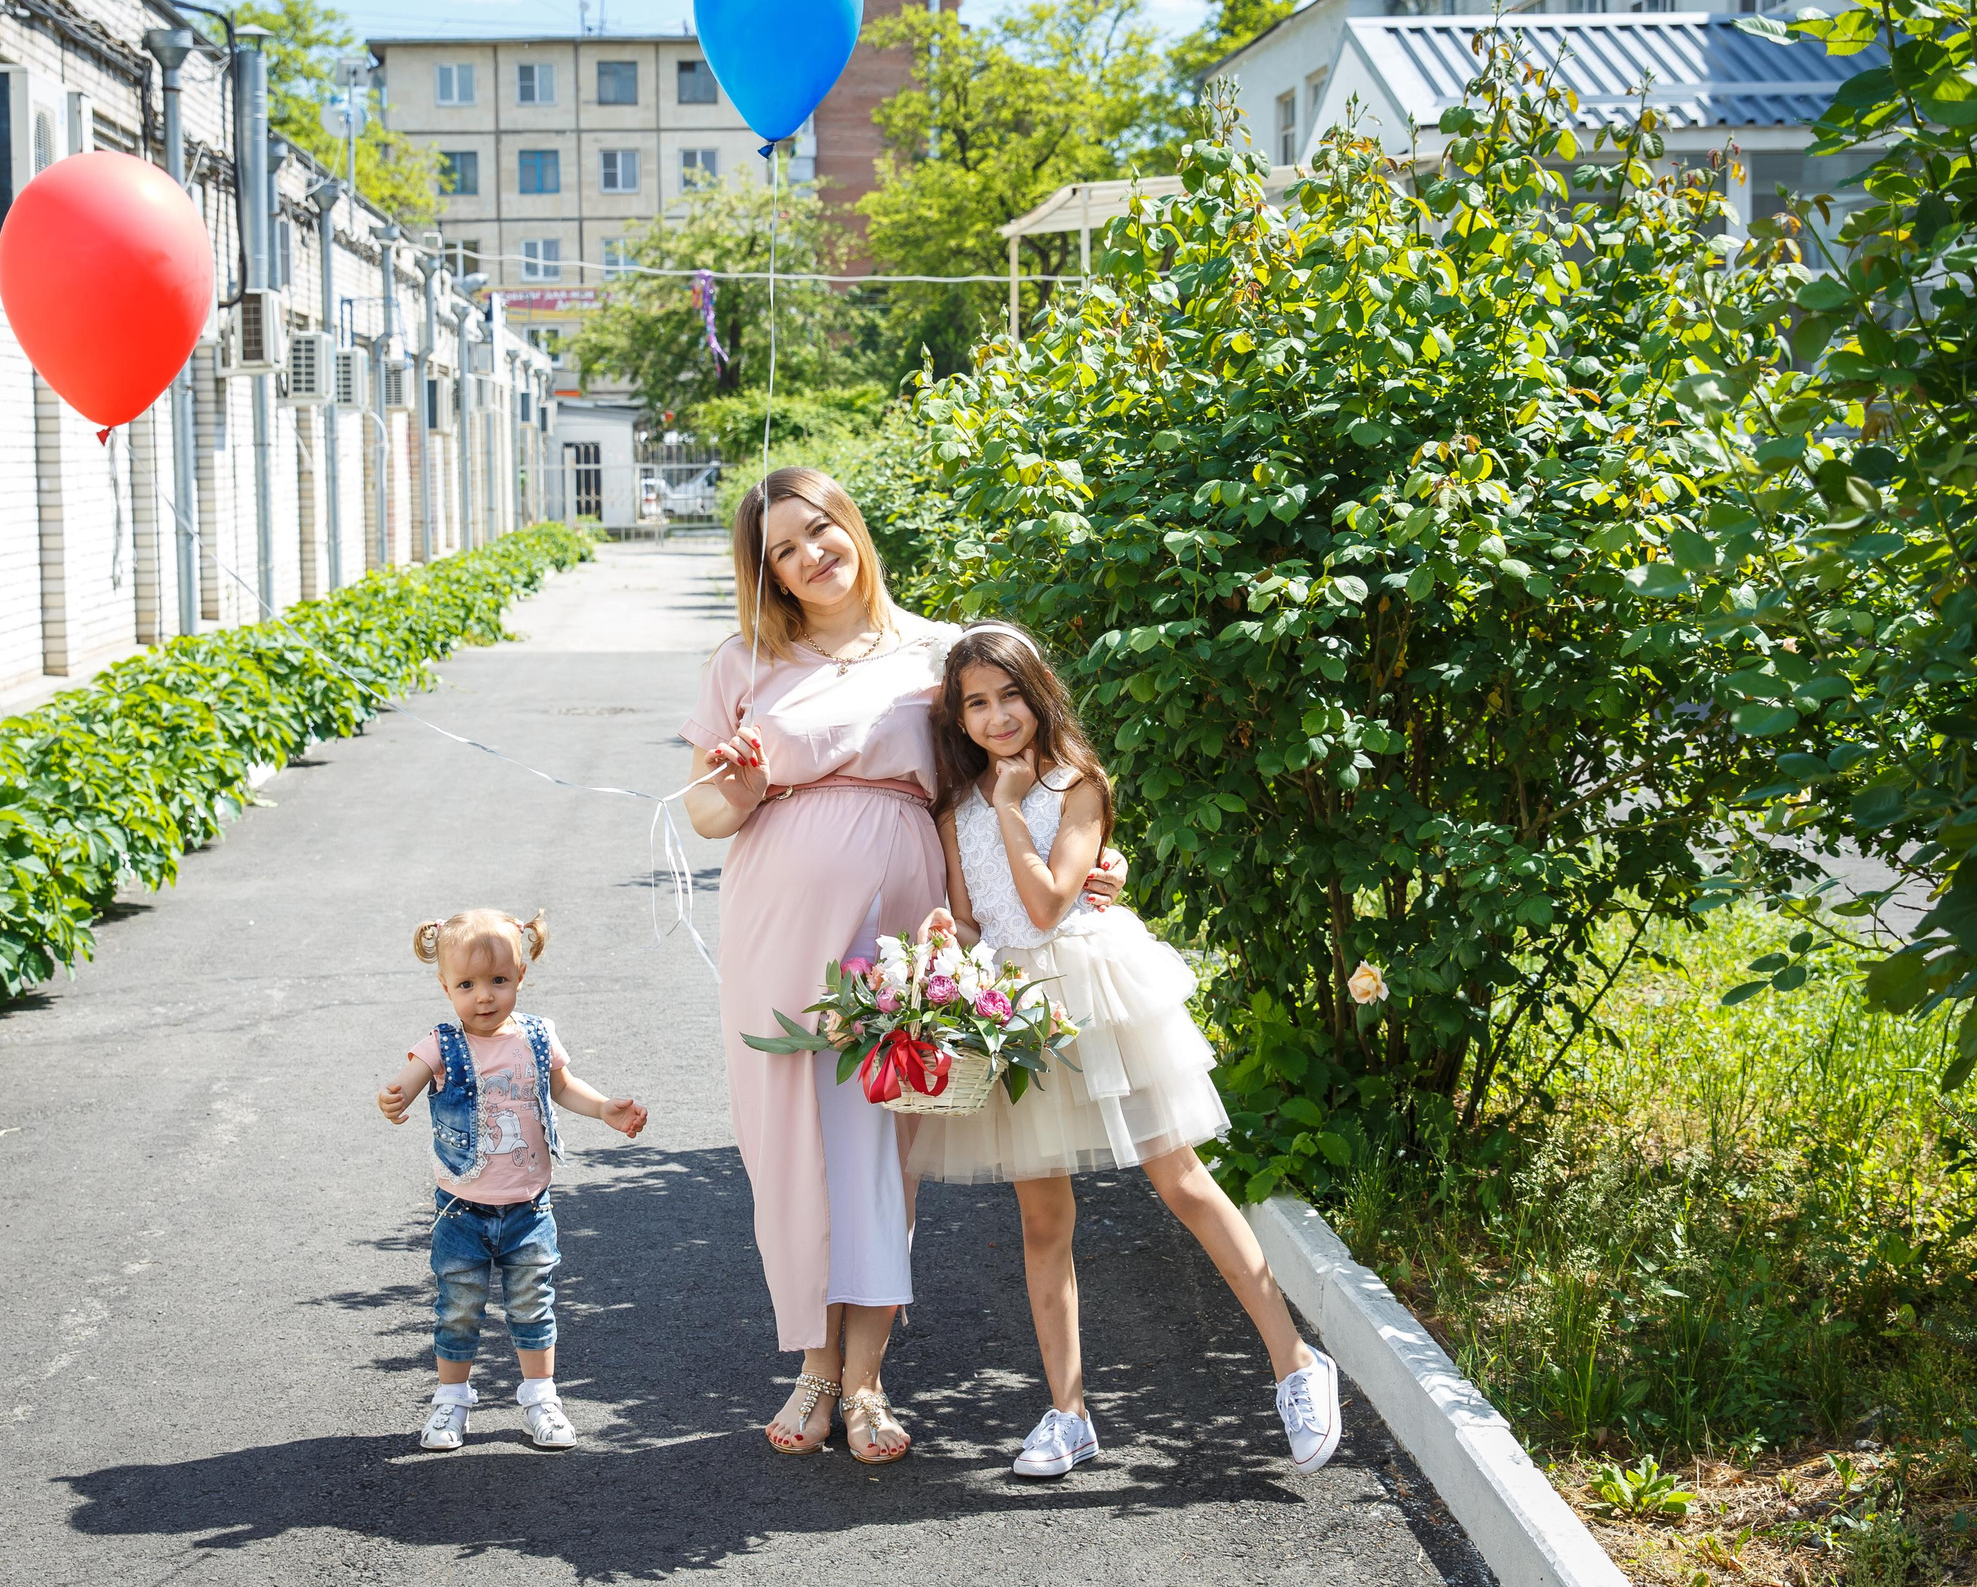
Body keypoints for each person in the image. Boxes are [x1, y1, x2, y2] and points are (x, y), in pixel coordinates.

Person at [680, 468, 1125, 1465]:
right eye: (784, 549)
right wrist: (742, 789)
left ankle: (870, 1379)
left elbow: (1022, 770)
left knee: (880, 1139)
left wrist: (1094, 858)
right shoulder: (744, 660)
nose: (811, 556)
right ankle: (812, 1368)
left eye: (821, 530)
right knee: (786, 1135)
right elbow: (703, 809)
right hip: (775, 920)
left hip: (901, 915)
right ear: (769, 571)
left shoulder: (933, 651)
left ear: (854, 527)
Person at [911, 623, 1344, 1479]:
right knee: (1043, 1216)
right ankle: (1066, 1411)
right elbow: (978, 918)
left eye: (1009, 696)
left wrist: (1008, 807)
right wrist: (944, 935)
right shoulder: (954, 811)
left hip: (1095, 994)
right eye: (977, 703)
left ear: (1038, 695)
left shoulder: (1078, 787)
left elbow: (1043, 905)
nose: (997, 716)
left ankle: (1295, 1362)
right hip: (1018, 1014)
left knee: (1179, 1177)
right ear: (959, 719)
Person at [377, 907, 649, 1454]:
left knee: (533, 1302)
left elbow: (564, 1088)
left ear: (520, 977)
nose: (484, 996)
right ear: (445, 986)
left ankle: (540, 1396)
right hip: (462, 1208)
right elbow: (406, 1082)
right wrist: (396, 1097)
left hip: (529, 1206)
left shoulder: (536, 1036)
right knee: (458, 1304)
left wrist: (603, 1110)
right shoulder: (440, 1044)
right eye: (467, 984)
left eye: (498, 981)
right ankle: (452, 1399)